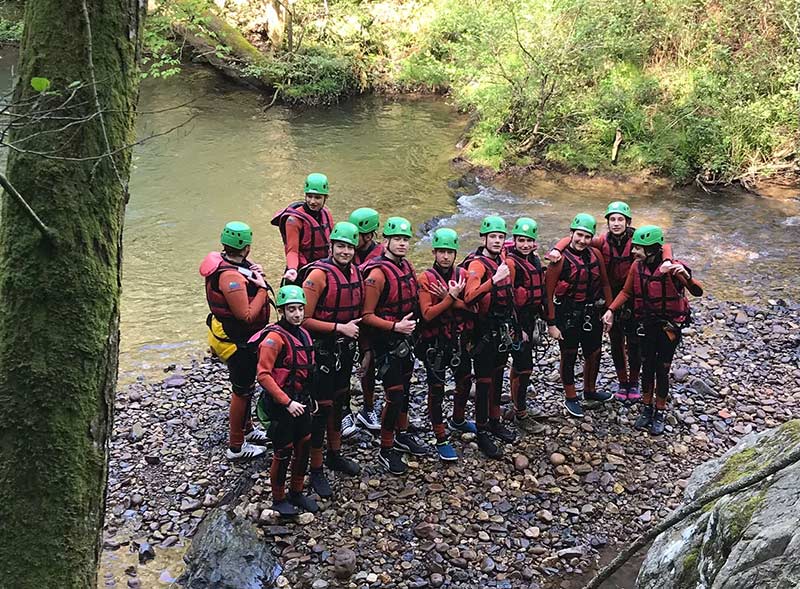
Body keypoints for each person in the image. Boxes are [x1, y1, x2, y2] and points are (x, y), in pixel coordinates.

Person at [548, 202, 673, 402]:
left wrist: (667, 260)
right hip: (613, 297)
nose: (616, 223)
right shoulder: (600, 241)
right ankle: (622, 382)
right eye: (612, 219)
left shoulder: (639, 238)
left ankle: (633, 382)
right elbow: (574, 238)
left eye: (620, 219)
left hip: (635, 296)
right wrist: (557, 248)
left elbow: (664, 245)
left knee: (634, 343)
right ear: (607, 222)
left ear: (628, 222)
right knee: (615, 341)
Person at [603, 226, 703, 435]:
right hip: (646, 324)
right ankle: (646, 407)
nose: (633, 252)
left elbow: (697, 291)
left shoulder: (674, 268)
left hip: (669, 327)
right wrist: (611, 310)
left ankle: (660, 410)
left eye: (638, 248)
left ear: (652, 250)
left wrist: (686, 276)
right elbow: (626, 291)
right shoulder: (636, 267)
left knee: (662, 369)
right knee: (647, 366)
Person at [300, 222, 363, 498]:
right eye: (340, 246)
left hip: (344, 350)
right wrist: (340, 328)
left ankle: (335, 454)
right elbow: (303, 319)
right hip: (321, 351)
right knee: (321, 408)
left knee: (340, 402)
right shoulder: (318, 275)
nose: (345, 251)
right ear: (331, 247)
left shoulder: (356, 274)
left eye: (349, 246)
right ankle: (315, 468)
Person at [200, 221, 271, 461]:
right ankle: (236, 446)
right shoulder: (230, 277)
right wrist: (262, 290)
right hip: (237, 342)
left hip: (241, 339)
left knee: (247, 387)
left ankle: (248, 430)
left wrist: (255, 273)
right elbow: (246, 315)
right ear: (247, 246)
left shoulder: (230, 264)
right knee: (242, 390)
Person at [361, 217, 425, 474]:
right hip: (385, 343)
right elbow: (366, 315)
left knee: (405, 391)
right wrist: (395, 327)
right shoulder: (377, 274)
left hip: (405, 340)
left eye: (405, 239)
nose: (401, 243)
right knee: (394, 395)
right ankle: (386, 450)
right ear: (385, 241)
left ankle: (402, 433)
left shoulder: (407, 266)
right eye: (397, 239)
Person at [251, 285, 318, 517]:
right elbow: (263, 375)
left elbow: (308, 370)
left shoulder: (305, 334)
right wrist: (287, 402)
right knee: (284, 450)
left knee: (304, 445)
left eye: (300, 309)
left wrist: (311, 399)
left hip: (302, 401)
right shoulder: (274, 339)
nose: (297, 314)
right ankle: (279, 499)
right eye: (291, 310)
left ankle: (297, 491)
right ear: (282, 311)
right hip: (282, 405)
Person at [544, 213, 614, 419]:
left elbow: (605, 284)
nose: (582, 240)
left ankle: (590, 390)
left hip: (592, 312)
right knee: (569, 354)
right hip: (568, 314)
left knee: (594, 352)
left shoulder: (595, 255)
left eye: (586, 237)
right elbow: (548, 295)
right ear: (571, 233)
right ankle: (571, 395)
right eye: (579, 235)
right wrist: (551, 323)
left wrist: (610, 310)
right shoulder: (559, 260)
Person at [417, 228, 477, 462]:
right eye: (441, 251)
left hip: (459, 340)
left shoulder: (463, 275)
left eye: (449, 252)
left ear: (455, 253)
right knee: (437, 389)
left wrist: (452, 300)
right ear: (433, 252)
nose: (445, 256)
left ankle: (458, 419)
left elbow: (474, 309)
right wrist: (451, 298)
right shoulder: (425, 278)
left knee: (464, 380)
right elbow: (427, 314)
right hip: (436, 344)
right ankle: (440, 436)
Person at [463, 216, 517, 459]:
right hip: (483, 332)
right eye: (492, 237)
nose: (496, 240)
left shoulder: (503, 260)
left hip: (502, 329)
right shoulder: (478, 265)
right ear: (483, 239)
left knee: (498, 375)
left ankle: (495, 420)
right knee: (484, 381)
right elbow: (469, 297)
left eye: (500, 237)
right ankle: (482, 428)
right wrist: (492, 282)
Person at [344, 207, 384, 436]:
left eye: (356, 235)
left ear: (368, 236)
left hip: (370, 318)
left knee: (370, 364)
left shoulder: (379, 256)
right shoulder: (346, 251)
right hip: (348, 317)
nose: (351, 240)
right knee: (344, 366)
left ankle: (368, 408)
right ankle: (344, 411)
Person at [505, 217, 546, 430]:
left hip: (530, 321)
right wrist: (517, 329)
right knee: (525, 368)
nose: (525, 245)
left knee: (520, 366)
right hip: (516, 325)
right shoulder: (511, 263)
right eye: (521, 240)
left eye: (529, 240)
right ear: (514, 240)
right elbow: (509, 299)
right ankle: (520, 414)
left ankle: (516, 404)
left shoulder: (534, 260)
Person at [271, 173, 333, 284]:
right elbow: (292, 250)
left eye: (318, 197)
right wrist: (292, 269)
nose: (312, 201)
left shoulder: (327, 214)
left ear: (326, 197)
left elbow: (332, 243)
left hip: (322, 268)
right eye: (309, 196)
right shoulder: (293, 220)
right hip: (300, 270)